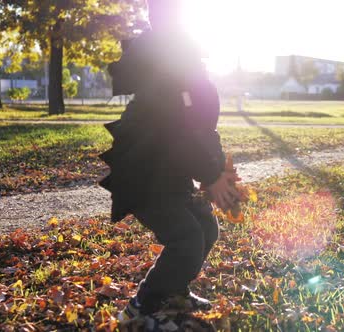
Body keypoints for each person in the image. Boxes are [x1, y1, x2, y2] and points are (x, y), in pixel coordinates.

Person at [99, 0, 239, 329]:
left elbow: (203, 131)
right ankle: (140, 307)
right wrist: (210, 174)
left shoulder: (186, 61)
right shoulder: (162, 73)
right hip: (145, 181)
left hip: (170, 179)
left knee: (206, 227)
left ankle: (175, 291)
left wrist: (217, 171)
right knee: (186, 238)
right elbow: (179, 136)